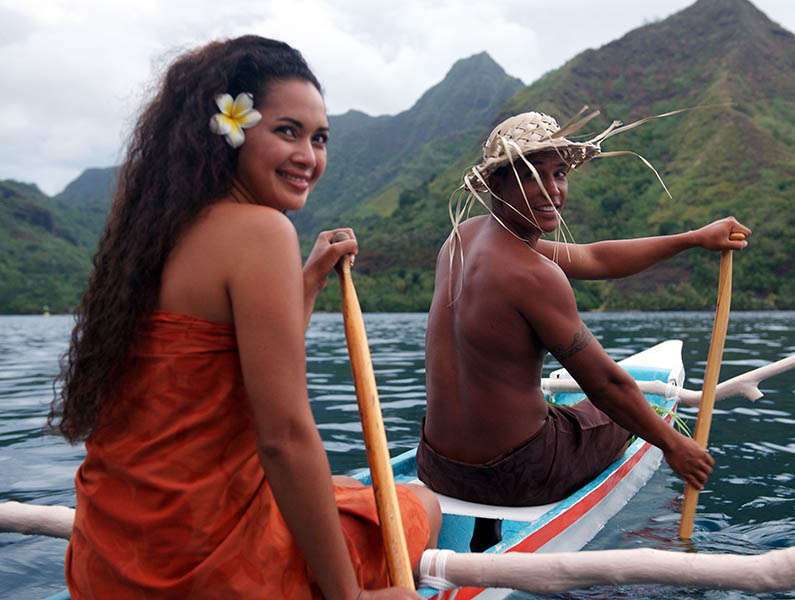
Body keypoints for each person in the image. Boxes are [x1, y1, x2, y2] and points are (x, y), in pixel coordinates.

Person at [49, 35, 440, 599]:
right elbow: (283, 438)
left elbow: (234, 363)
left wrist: (308, 279)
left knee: (339, 487)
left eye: (320, 138)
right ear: (228, 131)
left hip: (106, 558)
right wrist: (350, 598)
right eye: (287, 131)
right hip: (205, 572)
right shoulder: (262, 231)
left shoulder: (149, 238)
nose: (308, 156)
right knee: (421, 503)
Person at [417, 111, 751, 545]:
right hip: (518, 476)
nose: (552, 190)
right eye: (532, 175)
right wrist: (674, 445)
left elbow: (593, 258)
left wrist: (692, 238)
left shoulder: (461, 238)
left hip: (437, 466)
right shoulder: (534, 276)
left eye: (559, 174)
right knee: (622, 408)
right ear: (496, 184)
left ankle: (486, 533)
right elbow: (607, 386)